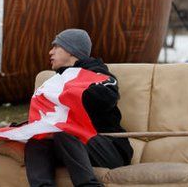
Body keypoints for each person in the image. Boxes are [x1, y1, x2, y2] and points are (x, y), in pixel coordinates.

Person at [24, 29, 132, 187]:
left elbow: (107, 99)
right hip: (71, 147)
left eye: (56, 47)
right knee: (37, 140)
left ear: (70, 50)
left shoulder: (98, 75)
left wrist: (71, 92)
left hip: (107, 149)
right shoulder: (56, 82)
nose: (50, 52)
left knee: (64, 133)